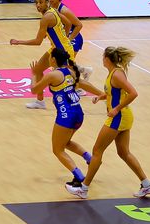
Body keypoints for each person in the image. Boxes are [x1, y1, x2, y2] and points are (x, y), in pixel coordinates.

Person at [65, 46, 150, 199]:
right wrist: (100, 97)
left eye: (103, 57)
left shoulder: (117, 75)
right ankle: (147, 184)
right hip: (124, 116)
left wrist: (116, 109)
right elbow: (114, 93)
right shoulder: (114, 73)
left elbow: (133, 93)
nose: (102, 59)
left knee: (97, 151)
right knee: (123, 153)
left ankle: (84, 188)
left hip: (119, 116)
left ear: (107, 59)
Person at [30, 46, 99, 188]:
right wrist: (102, 94)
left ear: (53, 59)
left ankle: (79, 177)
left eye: (50, 57)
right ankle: (89, 159)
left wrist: (34, 73)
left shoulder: (52, 75)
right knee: (66, 142)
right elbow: (84, 84)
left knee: (57, 149)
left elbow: (34, 90)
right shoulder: (71, 72)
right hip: (79, 113)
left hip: (66, 115)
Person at [10, 0, 75, 110]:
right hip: (57, 48)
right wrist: (61, 36)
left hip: (63, 51)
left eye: (41, 2)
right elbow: (68, 23)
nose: (38, 5)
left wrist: (18, 42)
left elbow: (38, 42)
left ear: (47, 2)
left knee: (66, 79)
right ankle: (40, 102)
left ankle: (83, 79)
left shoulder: (46, 18)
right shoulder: (54, 10)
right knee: (38, 69)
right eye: (36, 3)